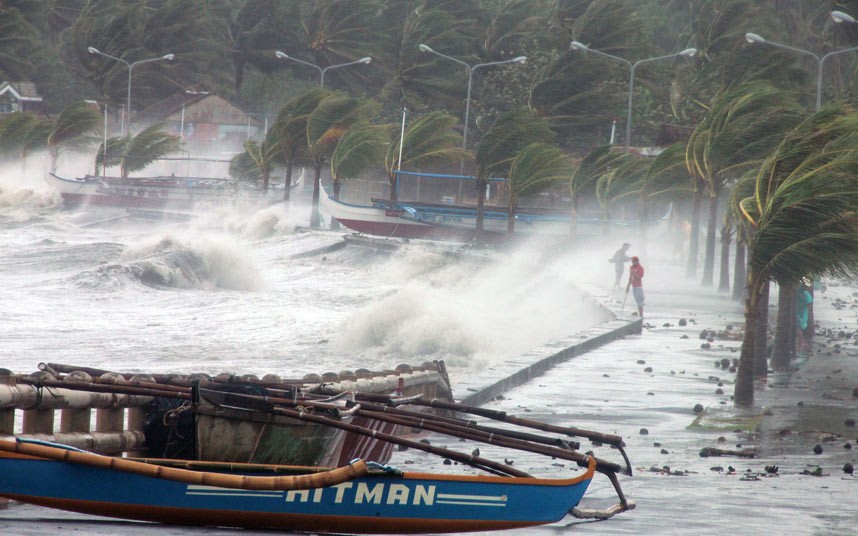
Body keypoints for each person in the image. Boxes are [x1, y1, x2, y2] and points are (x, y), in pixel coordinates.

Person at [796, 277, 813, 352]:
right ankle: (800, 345)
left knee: (799, 329)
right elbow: (809, 303)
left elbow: (809, 303)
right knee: (799, 330)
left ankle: (800, 344)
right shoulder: (804, 293)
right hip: (801, 313)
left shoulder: (801, 292)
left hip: (801, 312)